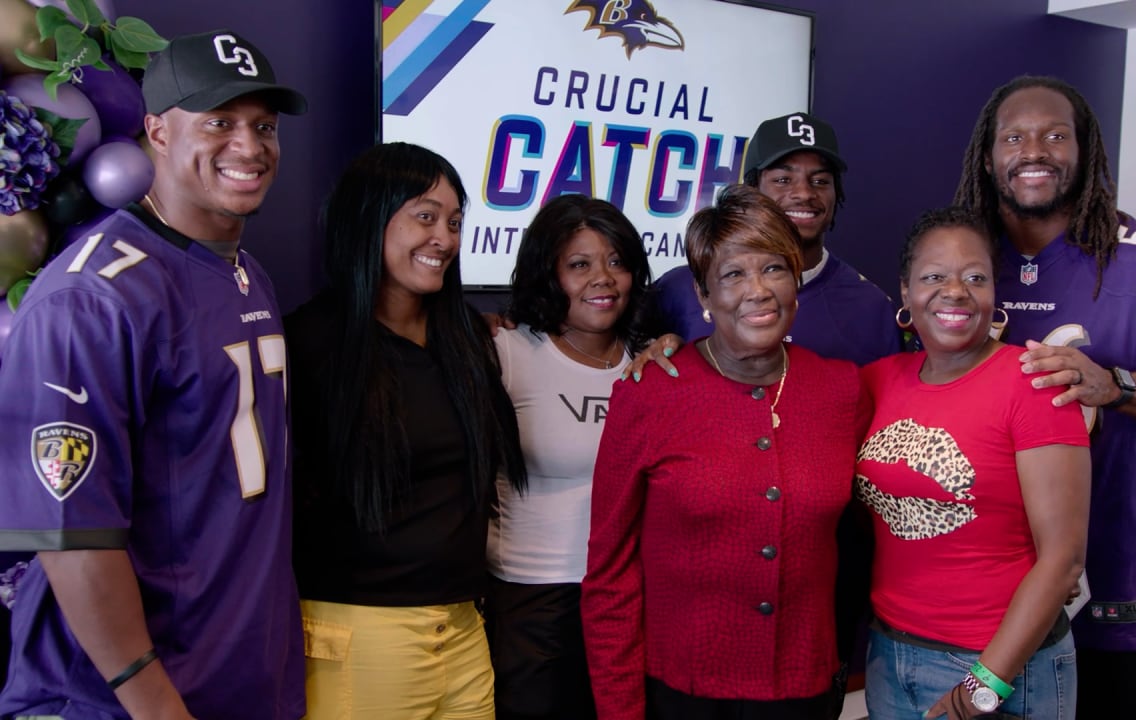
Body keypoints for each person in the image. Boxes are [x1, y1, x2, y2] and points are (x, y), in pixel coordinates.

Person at [0, 29, 308, 719]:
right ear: (157, 132)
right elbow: (74, 538)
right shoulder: (92, 298)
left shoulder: (245, 271)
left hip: (239, 678)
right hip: (122, 701)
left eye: (263, 125)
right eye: (219, 122)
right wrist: (156, 706)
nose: (249, 146)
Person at [953, 75, 1136, 720]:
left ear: (1086, 151)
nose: (1035, 150)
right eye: (1014, 137)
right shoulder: (960, 258)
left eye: (1056, 136)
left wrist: (1116, 386)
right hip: (980, 585)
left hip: (1119, 574)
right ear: (987, 154)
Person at [581, 184, 870, 720]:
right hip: (682, 697)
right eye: (734, 274)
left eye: (775, 269)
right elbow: (609, 578)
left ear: (796, 283)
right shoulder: (650, 395)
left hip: (804, 693)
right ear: (703, 295)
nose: (757, 290)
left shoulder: (842, 390)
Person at [285, 142, 527, 719]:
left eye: (454, 221)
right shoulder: (311, 343)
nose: (443, 237)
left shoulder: (466, 337)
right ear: (370, 217)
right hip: (360, 633)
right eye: (425, 215)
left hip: (465, 628)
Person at [856, 206, 1090, 720]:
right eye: (934, 277)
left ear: (994, 292)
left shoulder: (1033, 383)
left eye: (975, 277)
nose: (955, 291)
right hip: (891, 655)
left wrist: (985, 685)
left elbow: (1064, 559)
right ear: (905, 291)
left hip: (1003, 666)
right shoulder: (877, 381)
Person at [486, 194, 652, 720]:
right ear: (548, 273)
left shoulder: (650, 361)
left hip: (629, 597)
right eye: (579, 264)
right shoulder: (508, 350)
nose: (603, 278)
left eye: (617, 262)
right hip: (534, 602)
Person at [643, 111, 901, 367]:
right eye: (782, 180)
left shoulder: (872, 307)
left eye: (820, 180)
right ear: (752, 189)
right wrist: (656, 348)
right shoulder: (679, 288)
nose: (803, 193)